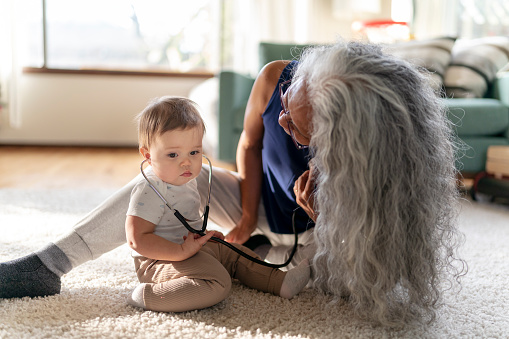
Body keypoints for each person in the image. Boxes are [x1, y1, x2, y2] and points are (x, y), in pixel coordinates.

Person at [0, 40, 465, 327]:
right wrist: (245, 216)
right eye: (287, 103)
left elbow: (372, 275)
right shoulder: (275, 79)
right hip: (256, 205)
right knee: (168, 176)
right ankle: (49, 264)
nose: (282, 118)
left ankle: (262, 257)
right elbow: (249, 147)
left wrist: (327, 218)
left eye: (300, 127)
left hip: (313, 244)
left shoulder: (374, 165)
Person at [123, 96, 310, 311]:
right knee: (218, 281)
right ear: (148, 155)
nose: (186, 162)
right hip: (158, 262)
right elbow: (137, 240)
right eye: (173, 154)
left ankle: (280, 283)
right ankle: (147, 295)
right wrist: (180, 251)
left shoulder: (186, 180)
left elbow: (184, 222)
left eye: (194, 152)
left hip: (188, 250)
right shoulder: (150, 189)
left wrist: (200, 238)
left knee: (236, 253)